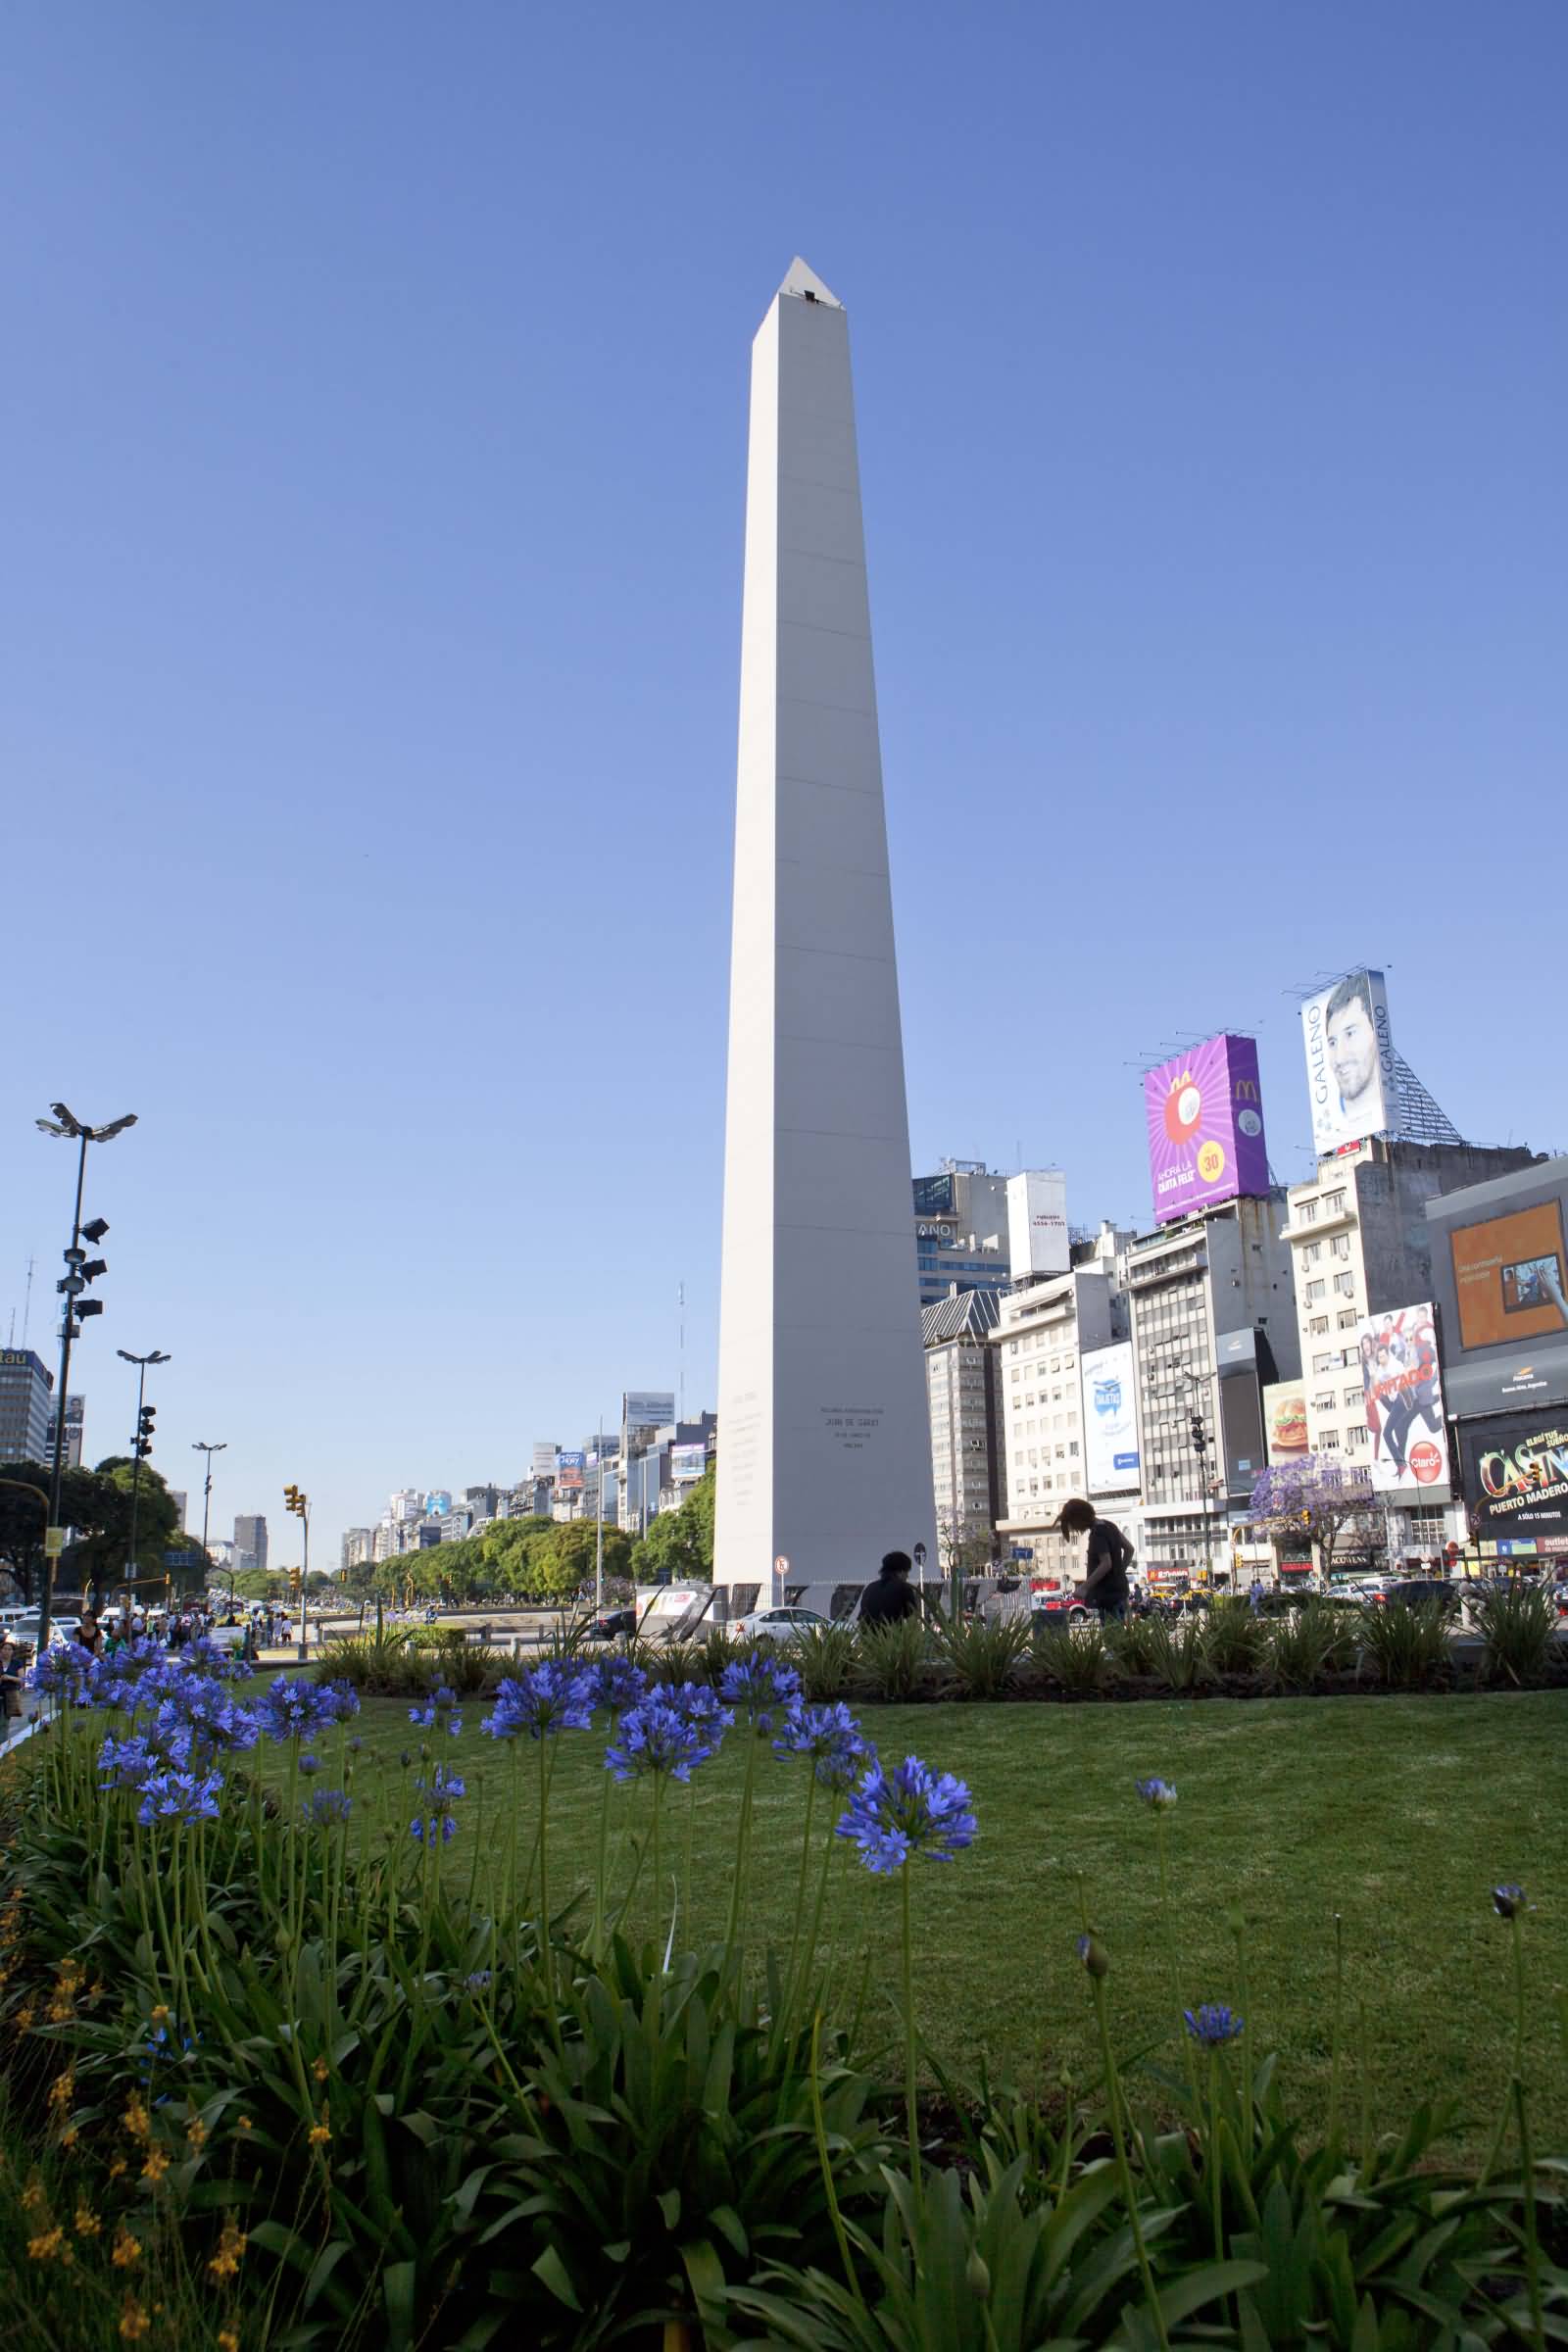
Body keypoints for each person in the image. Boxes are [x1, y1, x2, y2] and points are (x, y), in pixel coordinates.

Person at [1057, 1498, 1133, 1622]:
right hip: (1120, 1591)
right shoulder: (1110, 1525)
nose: (1074, 1528)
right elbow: (1129, 1549)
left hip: (1107, 1596)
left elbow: (1106, 1563)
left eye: (1072, 1523)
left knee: (1112, 1632)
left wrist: (1084, 1587)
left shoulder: (1097, 1534)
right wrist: (1118, 1573)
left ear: (1079, 1518)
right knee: (1122, 1634)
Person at [1325, 973, 1384, 1130]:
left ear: (1376, 1032)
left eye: (1350, 1034)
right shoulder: (1333, 1126)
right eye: (1332, 1043)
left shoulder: (1384, 1109)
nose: (1339, 1057)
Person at [857, 1550, 920, 1627]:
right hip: (893, 1637)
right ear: (901, 1571)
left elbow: (862, 1619)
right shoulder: (904, 1588)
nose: (907, 1576)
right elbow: (912, 1620)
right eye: (907, 1572)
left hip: (868, 1637)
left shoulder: (870, 1588)